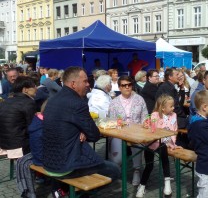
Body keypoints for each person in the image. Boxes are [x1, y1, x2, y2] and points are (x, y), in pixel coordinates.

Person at [42, 66, 119, 196]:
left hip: (48, 161)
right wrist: (83, 130)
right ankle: (77, 194)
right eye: (85, 81)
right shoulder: (77, 103)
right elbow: (94, 135)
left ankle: (63, 190)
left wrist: (80, 130)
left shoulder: (53, 99)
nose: (88, 84)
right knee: (115, 170)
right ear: (73, 84)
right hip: (67, 165)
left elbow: (63, 125)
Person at [136, 95, 180, 197]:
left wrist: (173, 143)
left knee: (164, 153)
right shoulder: (155, 115)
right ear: (163, 108)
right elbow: (148, 126)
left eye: (173, 106)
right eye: (171, 106)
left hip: (165, 143)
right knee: (149, 165)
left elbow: (174, 130)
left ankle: (167, 184)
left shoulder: (174, 115)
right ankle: (142, 186)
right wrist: (146, 124)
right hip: (152, 142)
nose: (173, 108)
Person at [108, 75, 147, 186]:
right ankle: (115, 169)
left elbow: (144, 117)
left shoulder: (140, 99)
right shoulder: (114, 102)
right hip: (119, 133)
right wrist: (118, 124)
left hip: (136, 132)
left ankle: (137, 171)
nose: (127, 87)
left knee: (138, 147)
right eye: (124, 85)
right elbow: (111, 120)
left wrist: (145, 124)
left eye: (129, 84)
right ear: (119, 87)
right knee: (117, 159)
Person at [0, 76, 37, 155]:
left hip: (3, 143)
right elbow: (31, 126)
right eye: (33, 86)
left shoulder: (6, 101)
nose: (36, 88)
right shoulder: (28, 103)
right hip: (19, 146)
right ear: (25, 89)